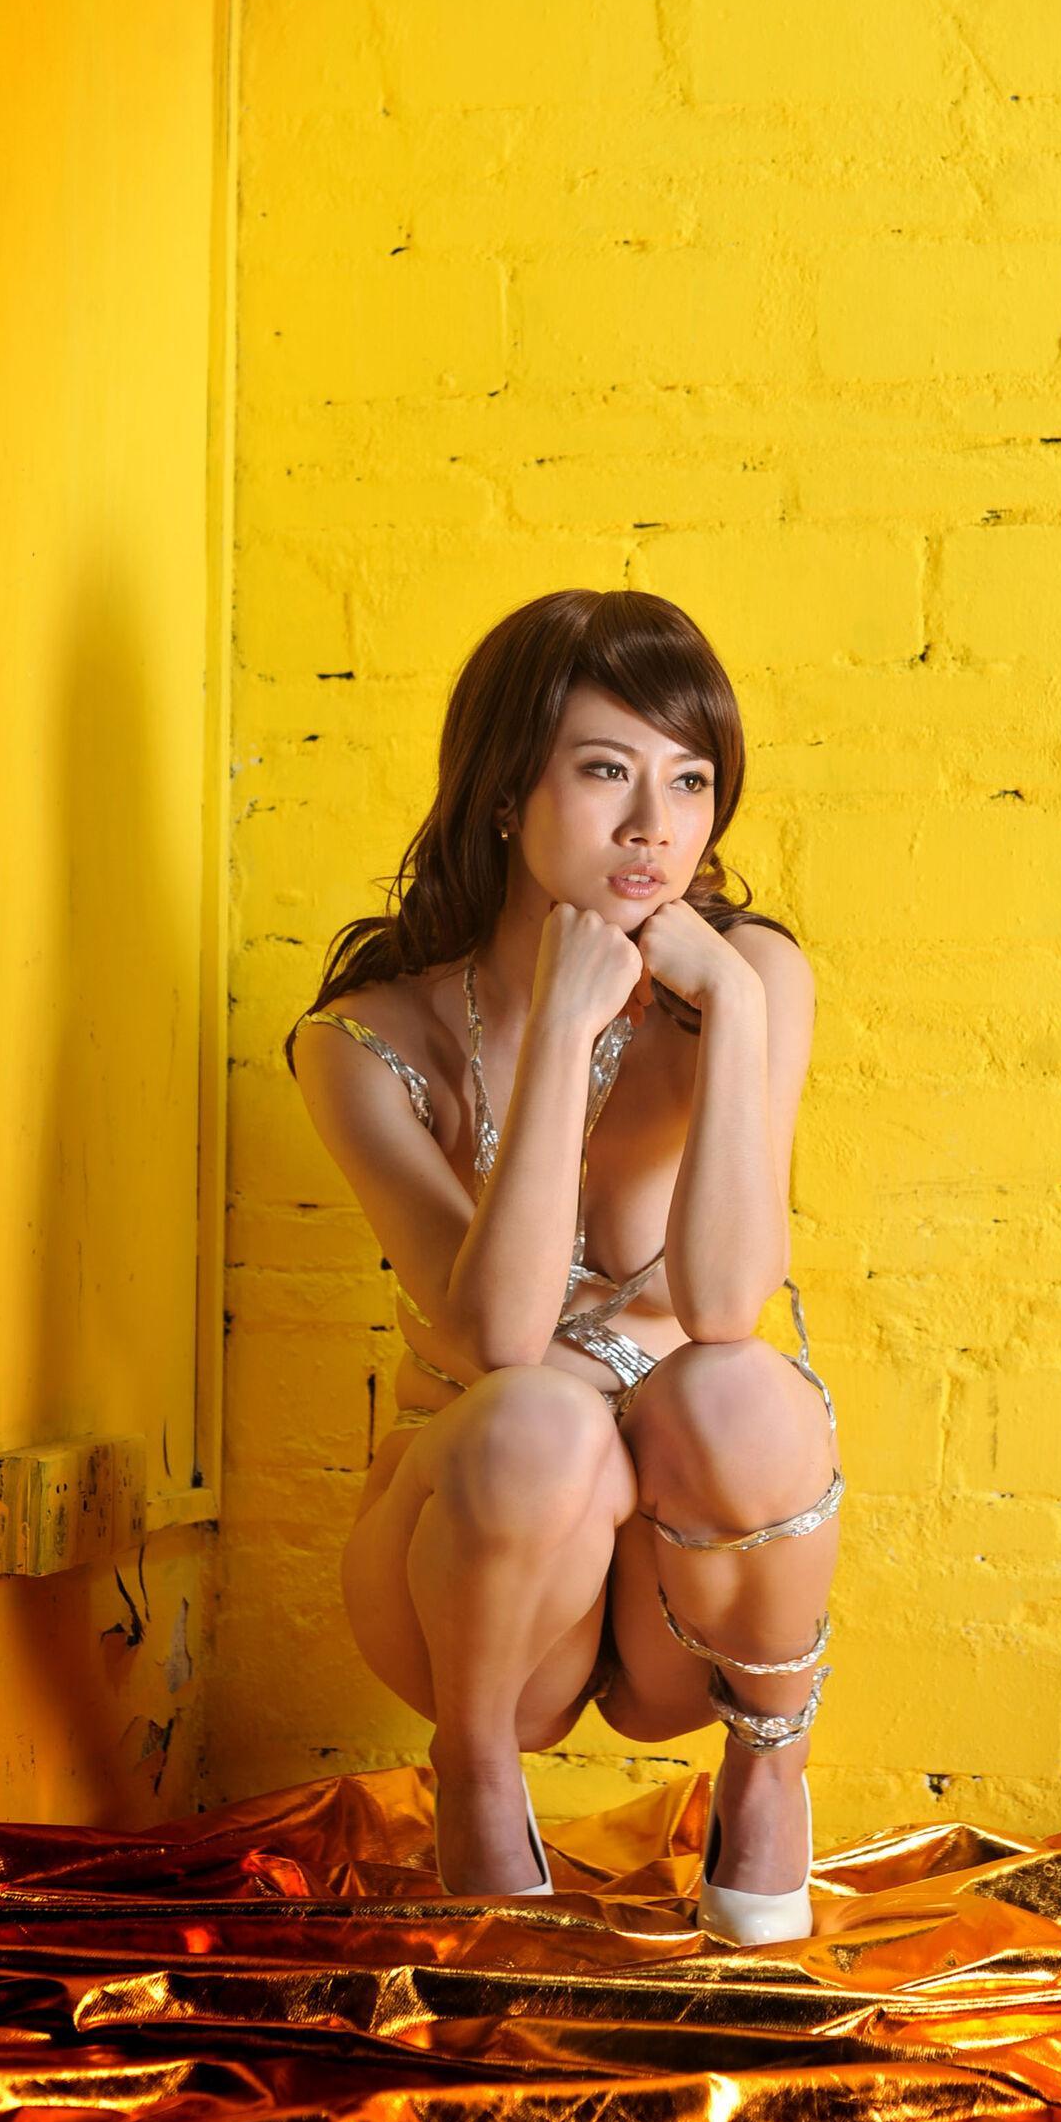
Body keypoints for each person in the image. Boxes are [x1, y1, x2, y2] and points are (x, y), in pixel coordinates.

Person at [285, 588, 839, 1941]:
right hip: (480, 1591)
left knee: (742, 1387)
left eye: (690, 780)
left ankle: (769, 1769)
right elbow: (498, 1336)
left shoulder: (750, 977)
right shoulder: (364, 1044)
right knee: (536, 1414)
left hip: (679, 1600)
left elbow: (724, 1301)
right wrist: (559, 1033)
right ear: (503, 792)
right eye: (605, 771)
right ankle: (476, 1776)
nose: (655, 826)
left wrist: (737, 1008)